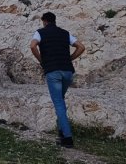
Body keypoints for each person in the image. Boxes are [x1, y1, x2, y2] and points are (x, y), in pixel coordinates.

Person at [29, 12, 85, 148]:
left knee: (59, 104)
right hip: (67, 72)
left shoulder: (40, 32)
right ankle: (61, 131)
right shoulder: (65, 33)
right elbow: (81, 47)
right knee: (61, 100)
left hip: (53, 71)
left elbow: (32, 46)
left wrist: (42, 61)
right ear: (55, 21)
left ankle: (67, 138)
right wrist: (69, 59)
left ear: (44, 21)